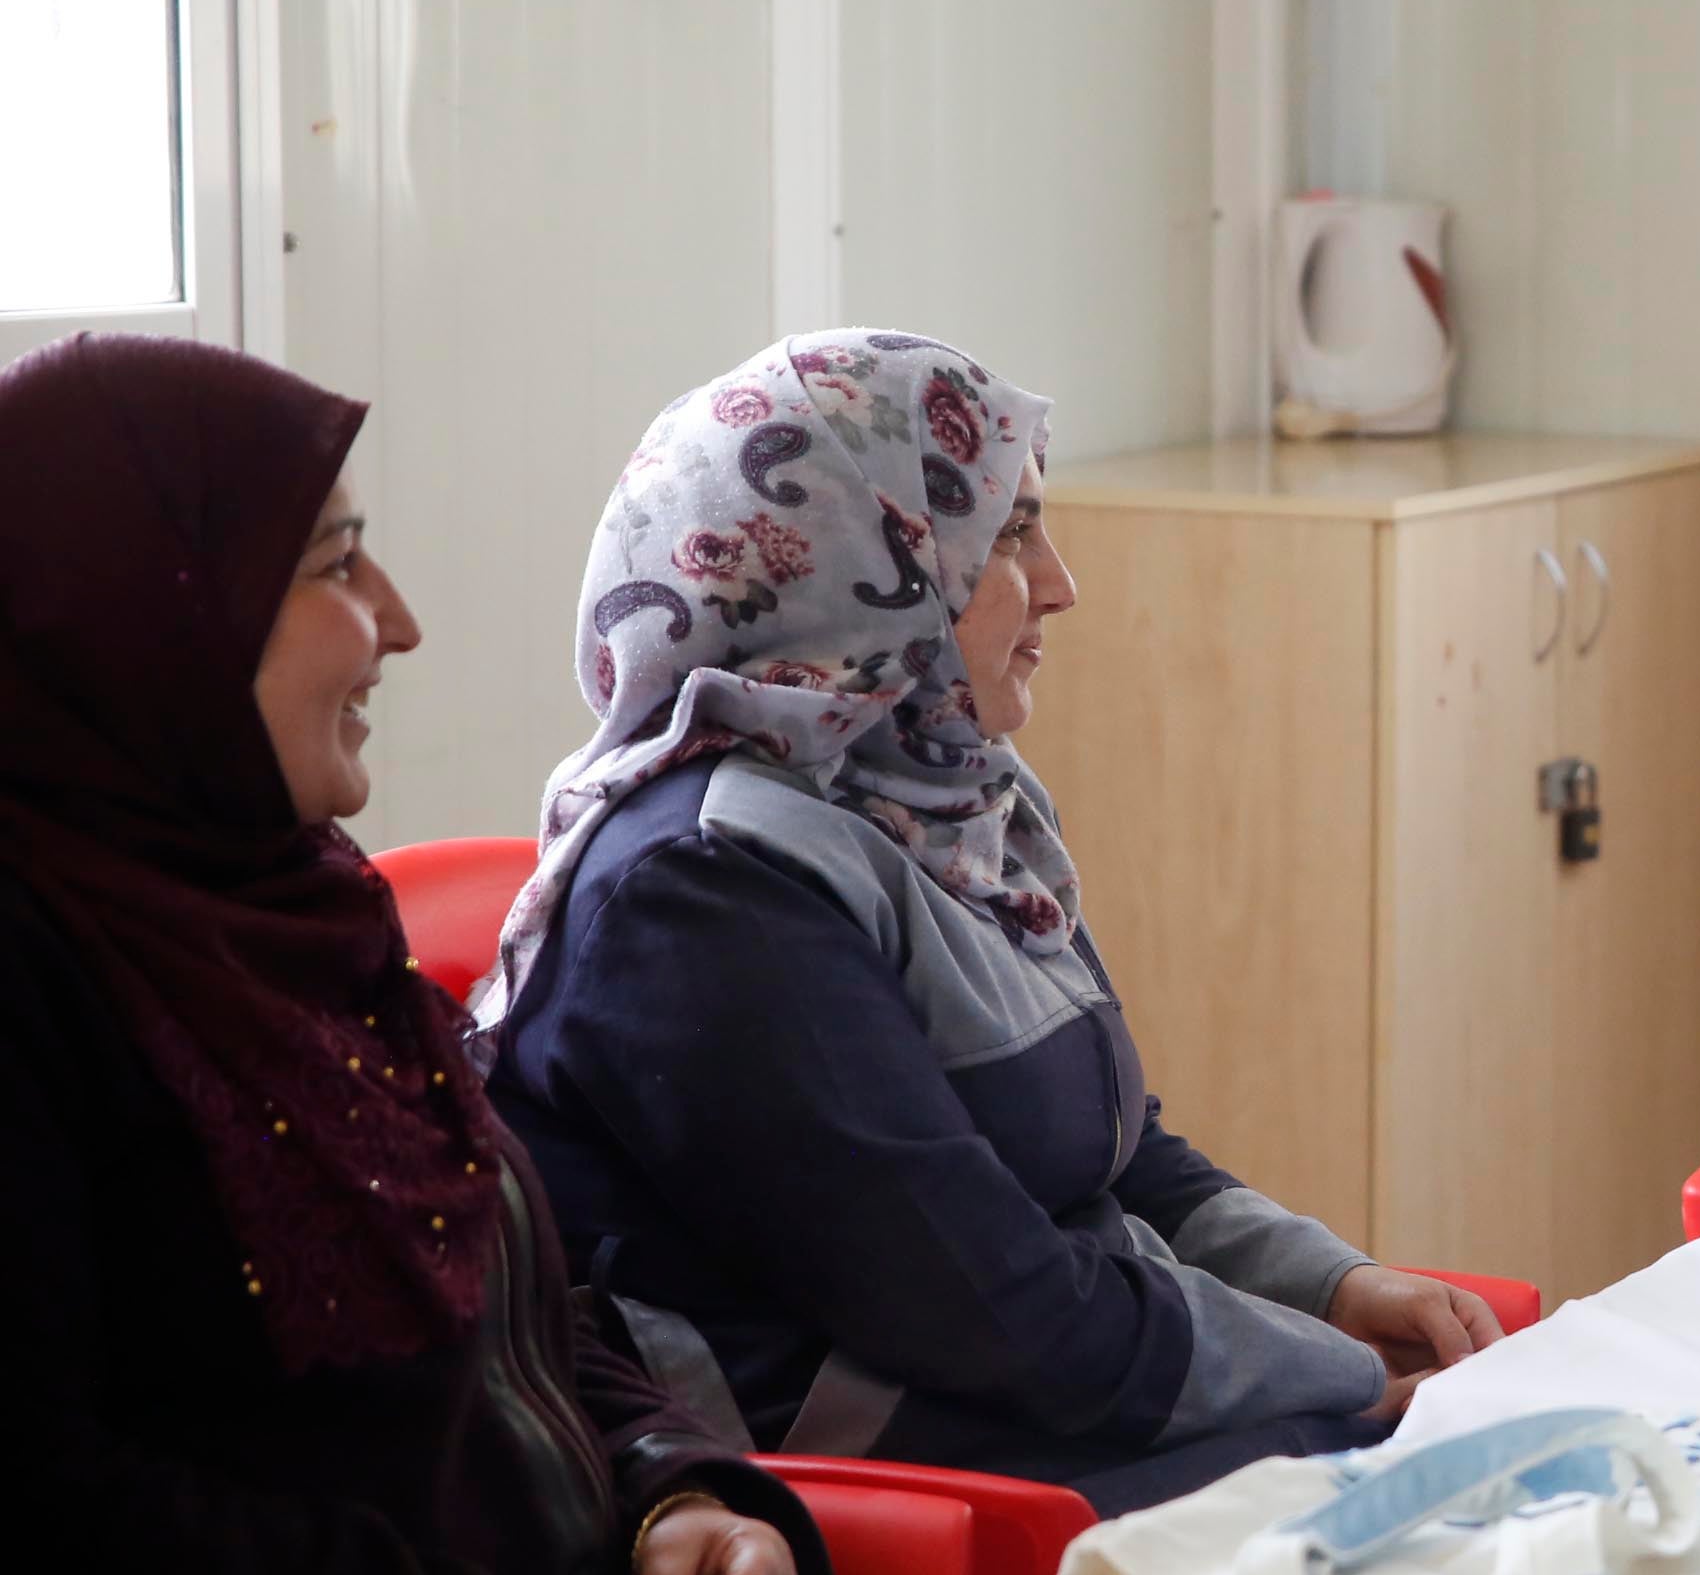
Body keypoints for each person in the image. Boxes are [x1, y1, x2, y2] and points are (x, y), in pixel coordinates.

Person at [0, 334, 843, 1575]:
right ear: (147, 619)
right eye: (333, 565)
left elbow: (520, 1295)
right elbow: (65, 1534)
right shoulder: (45, 983)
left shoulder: (294, 912)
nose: (398, 620)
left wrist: (676, 1500)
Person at [483, 334, 1500, 1515]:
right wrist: (1349, 1378)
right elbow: (988, 1306)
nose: (1060, 582)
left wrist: (1334, 1286)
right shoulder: (700, 889)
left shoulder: (957, 806)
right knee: (1451, 1503)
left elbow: (1113, 1153)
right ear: (860, 567)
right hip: (881, 1487)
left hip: (1029, 1404)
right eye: (1007, 535)